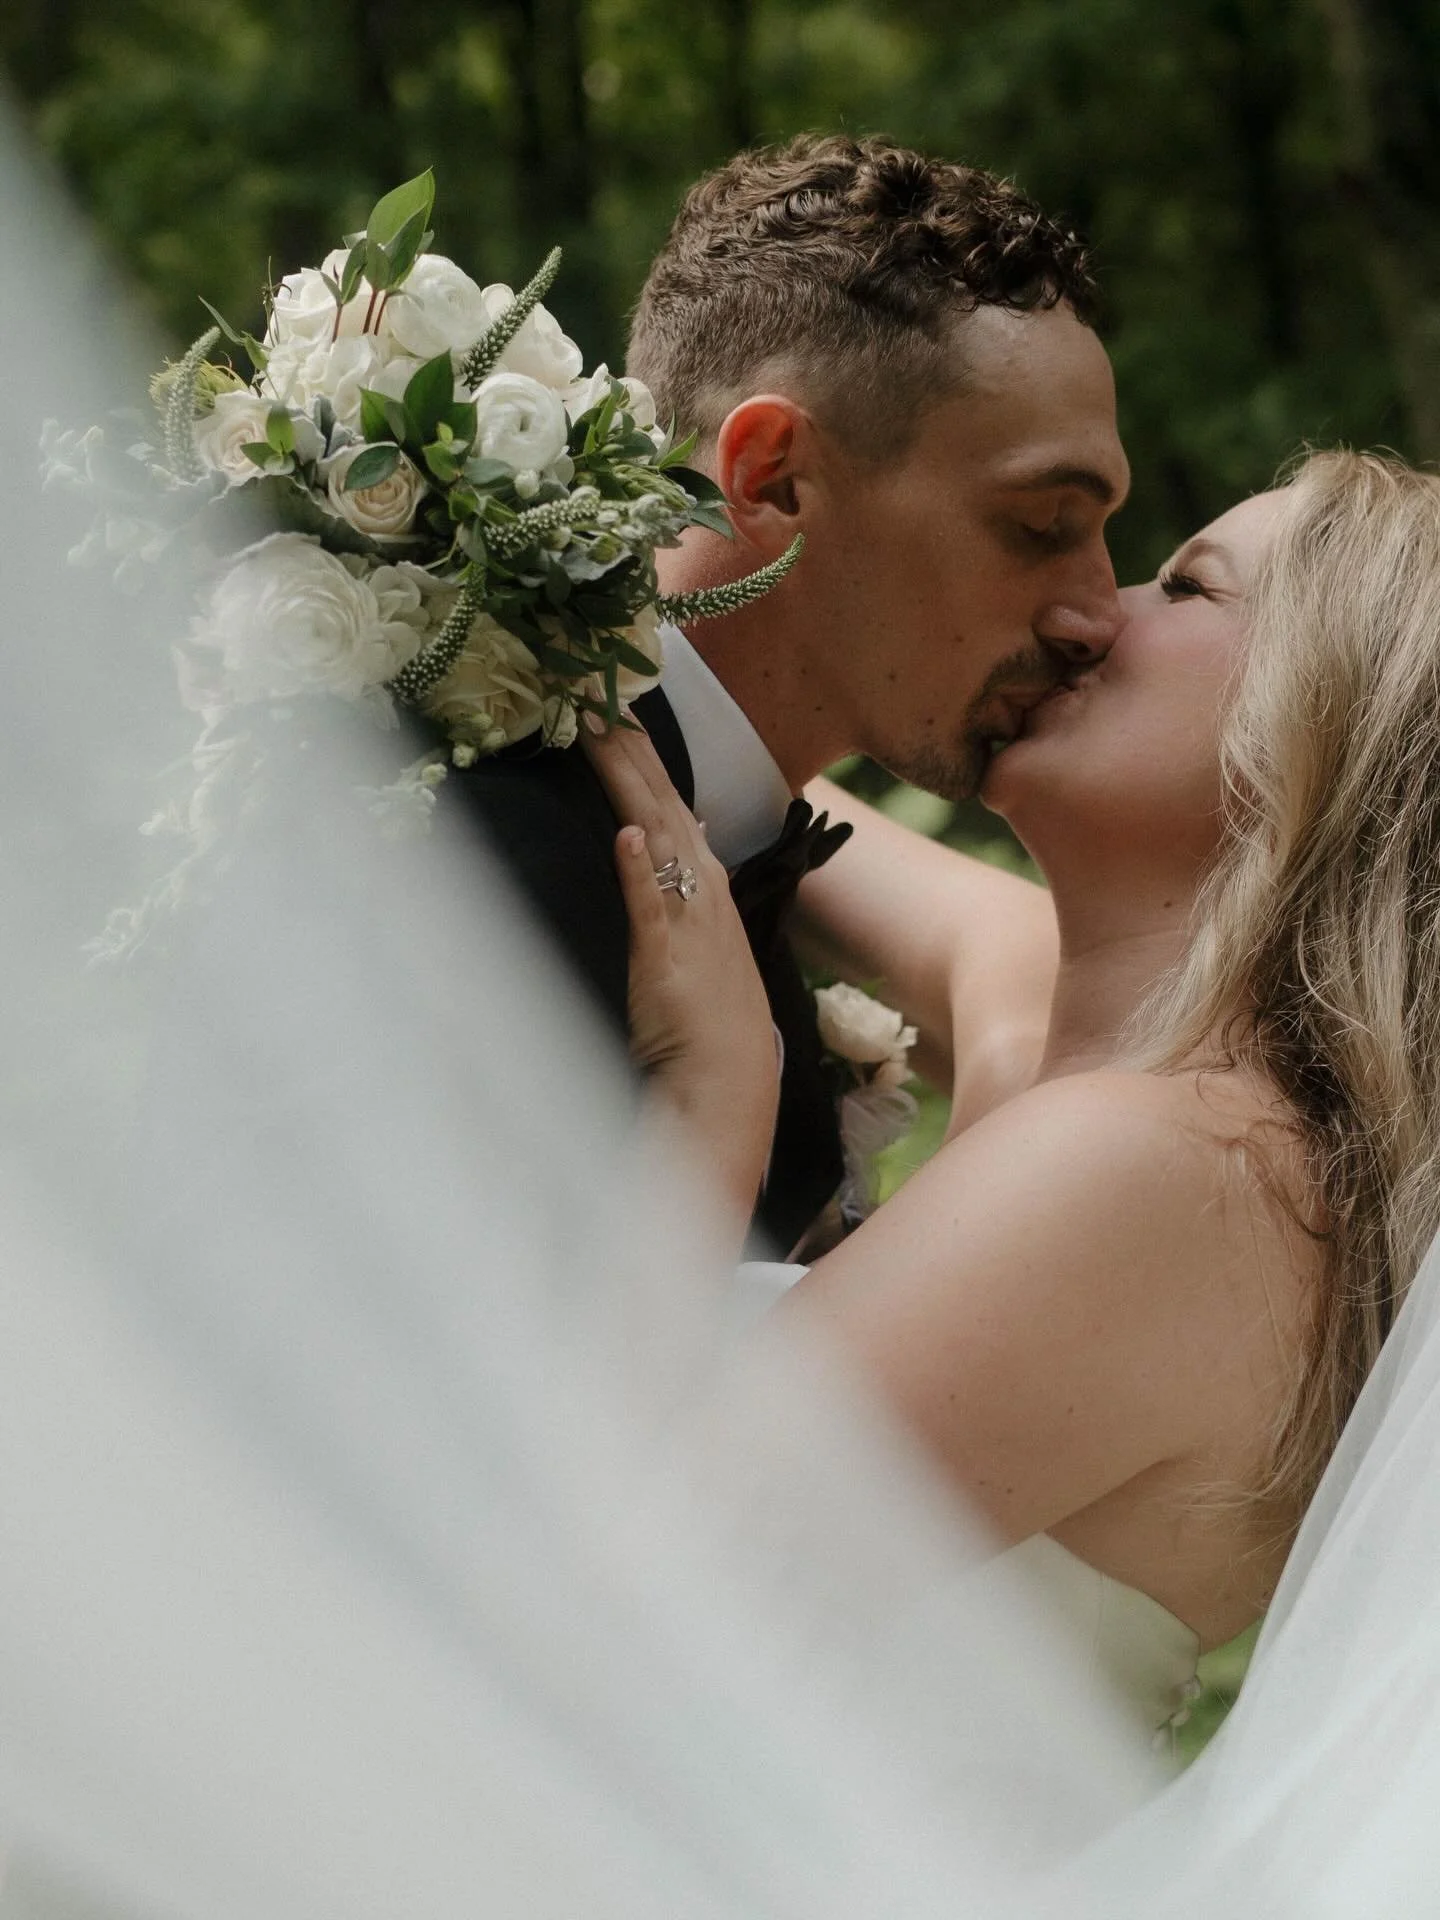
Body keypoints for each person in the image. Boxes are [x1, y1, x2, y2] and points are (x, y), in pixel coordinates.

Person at [583, 447, 1440, 1742]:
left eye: (1186, 587)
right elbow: (738, 773)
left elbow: (595, 1584)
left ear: (1326, 727)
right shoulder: (1114, 1055)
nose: (1090, 614)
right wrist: (530, 629)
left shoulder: (1163, 1169)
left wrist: (715, 1108)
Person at [443, 133, 1128, 1256]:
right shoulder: (476, 854)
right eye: (1041, 524)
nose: (1098, 613)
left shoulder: (727, 819)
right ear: (771, 478)